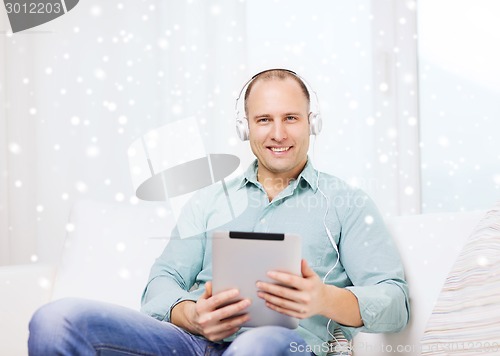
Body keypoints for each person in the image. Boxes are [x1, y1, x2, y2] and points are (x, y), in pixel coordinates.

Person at [28, 69, 409, 356]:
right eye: (264, 120)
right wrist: (192, 314)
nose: (278, 133)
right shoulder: (208, 201)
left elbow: (394, 301)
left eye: (291, 118)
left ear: (313, 122)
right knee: (56, 319)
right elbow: (161, 283)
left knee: (258, 343)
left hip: (285, 345)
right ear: (246, 128)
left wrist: (323, 299)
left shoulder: (348, 203)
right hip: (194, 343)